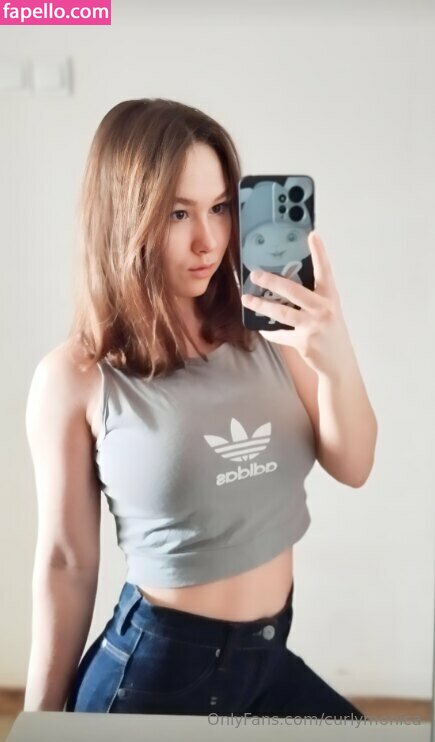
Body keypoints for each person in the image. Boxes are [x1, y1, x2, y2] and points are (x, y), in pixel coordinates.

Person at [24, 98, 377, 717]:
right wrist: (40, 723)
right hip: (153, 678)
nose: (208, 240)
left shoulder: (272, 331)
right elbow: (66, 563)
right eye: (177, 213)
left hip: (266, 662)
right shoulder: (76, 376)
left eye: (220, 208)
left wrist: (336, 353)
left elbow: (355, 465)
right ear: (126, 216)